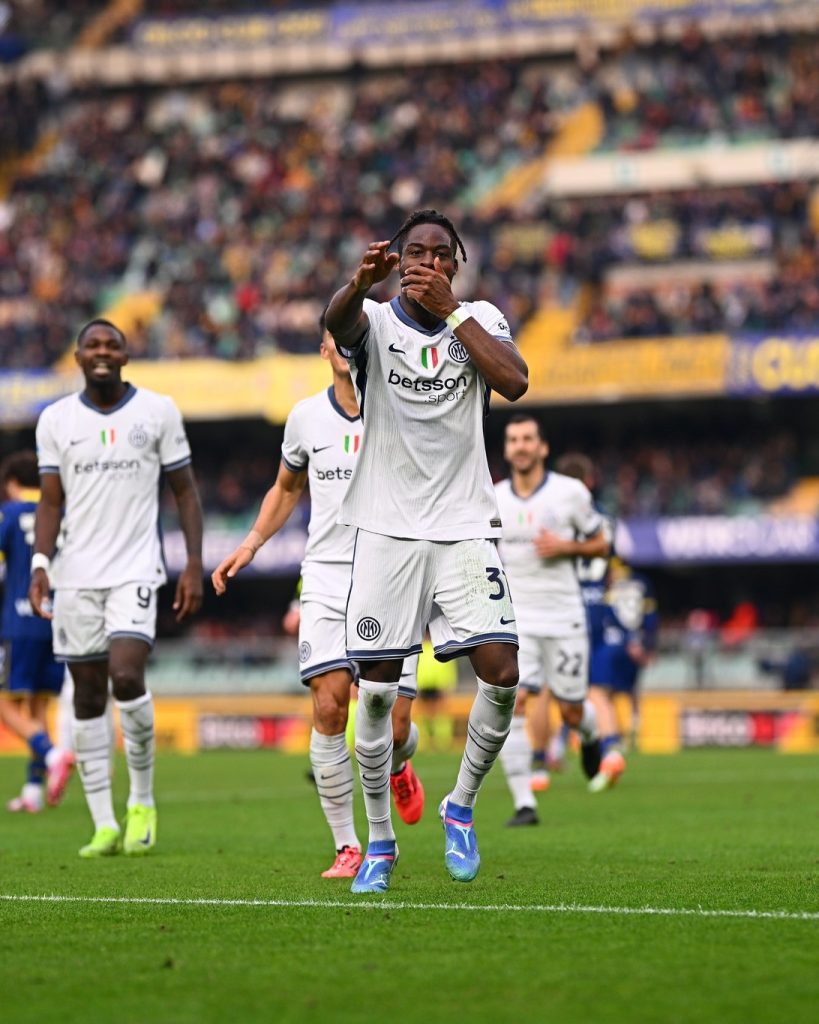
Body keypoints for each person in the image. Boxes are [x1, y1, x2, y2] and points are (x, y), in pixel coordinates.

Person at [326, 208, 528, 892]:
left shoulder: (481, 318)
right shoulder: (376, 322)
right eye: (415, 251)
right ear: (397, 260)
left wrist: (454, 316)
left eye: (442, 253)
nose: (429, 261)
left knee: (501, 672)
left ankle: (460, 805)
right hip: (386, 529)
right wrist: (357, 285)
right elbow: (336, 322)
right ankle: (379, 843)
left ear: (456, 263)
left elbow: (515, 381)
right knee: (376, 702)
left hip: (465, 525)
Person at [212, 320, 425, 879]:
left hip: (393, 574)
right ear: (325, 347)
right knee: (329, 706)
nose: (345, 346)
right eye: (338, 337)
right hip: (327, 577)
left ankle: (401, 766)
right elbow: (286, 488)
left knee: (392, 728)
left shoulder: (402, 403)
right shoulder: (306, 417)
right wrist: (252, 544)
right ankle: (348, 845)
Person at [29, 319, 203, 857]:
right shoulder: (55, 419)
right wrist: (40, 562)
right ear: (78, 356)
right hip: (75, 574)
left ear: (126, 355)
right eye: (93, 345)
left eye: (112, 345)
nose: (103, 352)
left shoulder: (158, 411)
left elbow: (186, 493)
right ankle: (103, 822)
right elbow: (51, 500)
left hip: (135, 569)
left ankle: (142, 800)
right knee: (84, 695)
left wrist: (193, 564)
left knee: (125, 677)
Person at [495, 417, 609, 826]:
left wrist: (567, 546)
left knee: (572, 711)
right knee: (514, 702)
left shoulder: (570, 493)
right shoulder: (494, 499)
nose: (521, 446)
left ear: (543, 448)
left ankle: (592, 735)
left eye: (528, 439)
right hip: (517, 619)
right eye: (513, 440)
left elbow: (603, 543)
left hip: (564, 617)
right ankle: (525, 803)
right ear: (507, 450)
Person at [0, 451, 74, 813]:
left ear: (10, 484)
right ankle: (33, 791)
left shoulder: (10, 513)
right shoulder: (59, 511)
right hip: (56, 622)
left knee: (4, 703)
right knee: (38, 705)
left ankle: (53, 753)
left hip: (18, 620)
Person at [588, 557, 658, 788]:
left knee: (599, 694)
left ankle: (611, 745)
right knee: (628, 692)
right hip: (634, 647)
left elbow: (605, 612)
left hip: (611, 645)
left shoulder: (604, 580)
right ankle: (630, 733)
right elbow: (651, 616)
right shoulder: (642, 582)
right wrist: (647, 645)